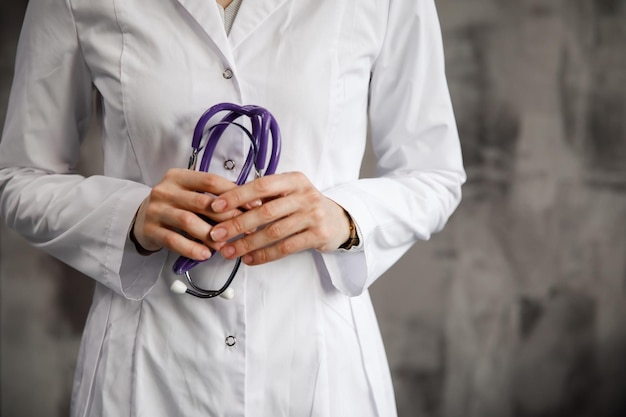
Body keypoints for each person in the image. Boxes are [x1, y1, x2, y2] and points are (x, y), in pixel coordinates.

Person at [0, 0, 465, 415]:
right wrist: (130, 216)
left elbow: (433, 174)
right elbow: (20, 179)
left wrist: (343, 218)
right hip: (146, 367)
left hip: (317, 366)